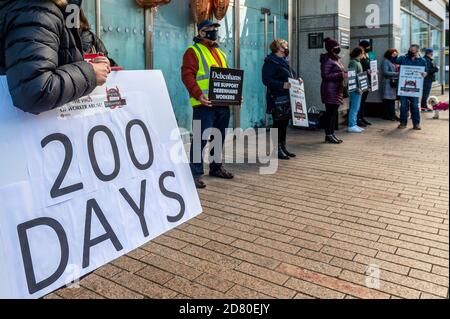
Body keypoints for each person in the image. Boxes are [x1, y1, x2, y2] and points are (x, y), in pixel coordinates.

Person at [0, 0, 110, 114]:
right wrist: (91, 74)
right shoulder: (38, 10)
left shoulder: (44, 10)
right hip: (31, 126)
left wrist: (99, 66)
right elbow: (35, 91)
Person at [181, 20, 234, 189]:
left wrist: (235, 96)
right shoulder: (193, 51)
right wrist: (198, 94)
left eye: (215, 28)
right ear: (201, 32)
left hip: (222, 104)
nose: (213, 31)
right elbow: (187, 75)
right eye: (209, 28)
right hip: (203, 103)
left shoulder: (221, 53)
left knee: (219, 137)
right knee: (200, 138)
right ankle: (195, 173)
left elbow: (228, 78)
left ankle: (216, 167)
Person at [262, 39, 298, 160]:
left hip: (286, 97)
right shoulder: (270, 62)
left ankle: (283, 147)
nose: (286, 47)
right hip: (277, 98)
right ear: (278, 48)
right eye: (284, 46)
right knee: (278, 124)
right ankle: (276, 150)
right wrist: (281, 85)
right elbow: (266, 80)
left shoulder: (283, 61)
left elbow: (292, 74)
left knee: (284, 123)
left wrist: (298, 79)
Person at [320, 38, 346, 144]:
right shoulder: (328, 60)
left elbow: (338, 72)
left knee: (333, 113)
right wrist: (341, 74)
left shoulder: (335, 59)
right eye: (336, 47)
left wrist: (344, 73)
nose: (338, 49)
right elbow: (325, 75)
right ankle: (329, 134)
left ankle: (331, 134)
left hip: (336, 89)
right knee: (330, 113)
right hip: (330, 90)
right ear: (331, 49)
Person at [396, 44, 428, 130]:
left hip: (415, 88)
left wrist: (425, 74)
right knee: (403, 106)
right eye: (410, 50)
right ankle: (402, 123)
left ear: (417, 51)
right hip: (403, 87)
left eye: (413, 50)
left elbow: (426, 72)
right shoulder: (403, 58)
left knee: (414, 105)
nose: (411, 51)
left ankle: (416, 124)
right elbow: (395, 61)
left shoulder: (422, 60)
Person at [347, 47, 365, 133]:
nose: (364, 55)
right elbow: (352, 76)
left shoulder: (357, 62)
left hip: (358, 88)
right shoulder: (354, 62)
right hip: (355, 88)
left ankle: (353, 124)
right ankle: (351, 125)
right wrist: (357, 88)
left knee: (356, 107)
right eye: (363, 53)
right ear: (360, 53)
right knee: (354, 107)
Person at [381, 48, 400, 121]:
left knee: (392, 100)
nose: (395, 56)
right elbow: (385, 72)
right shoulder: (386, 61)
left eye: (396, 54)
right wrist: (397, 74)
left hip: (393, 83)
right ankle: (387, 115)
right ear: (389, 54)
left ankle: (392, 114)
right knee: (387, 100)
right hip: (387, 82)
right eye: (393, 54)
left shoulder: (394, 62)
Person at [357, 40, 374, 127]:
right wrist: (366, 71)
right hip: (362, 80)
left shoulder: (368, 55)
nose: (369, 48)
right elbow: (359, 69)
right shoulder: (359, 56)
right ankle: (358, 118)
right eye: (367, 47)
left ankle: (362, 117)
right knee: (360, 101)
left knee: (363, 101)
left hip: (367, 79)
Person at [421, 48, 439, 112]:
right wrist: (436, 68)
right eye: (432, 53)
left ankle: (424, 106)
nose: (432, 54)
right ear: (430, 53)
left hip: (427, 79)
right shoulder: (427, 60)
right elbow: (428, 70)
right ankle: (424, 107)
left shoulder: (426, 59)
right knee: (426, 93)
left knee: (425, 93)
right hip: (427, 79)